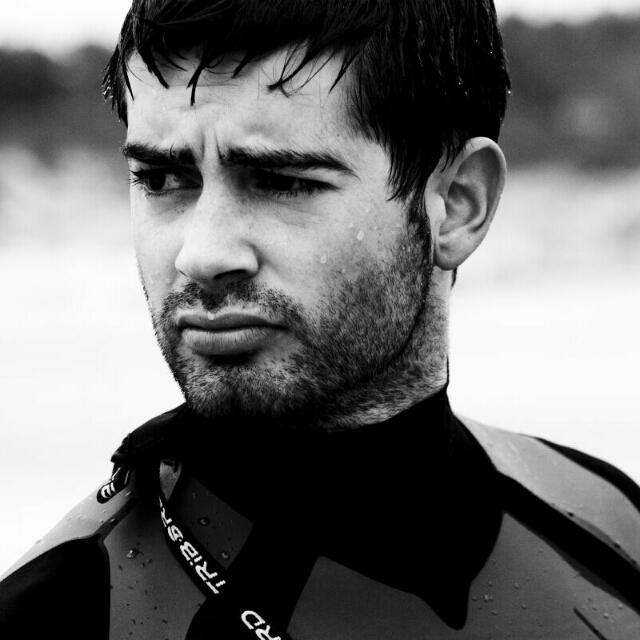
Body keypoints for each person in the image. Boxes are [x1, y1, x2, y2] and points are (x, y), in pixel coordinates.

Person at [1, 0, 639, 637]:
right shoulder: (60, 612)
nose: (202, 255)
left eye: (281, 181)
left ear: (457, 204)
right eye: (162, 179)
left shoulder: (610, 523)